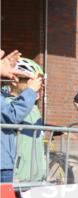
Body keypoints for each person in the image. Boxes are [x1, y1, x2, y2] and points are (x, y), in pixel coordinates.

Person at [1, 51, 43, 183]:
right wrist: (30, 92)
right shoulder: (8, 103)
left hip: (34, 175)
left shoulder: (32, 106)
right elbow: (11, 116)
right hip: (17, 175)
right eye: (30, 80)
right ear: (15, 81)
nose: (36, 84)